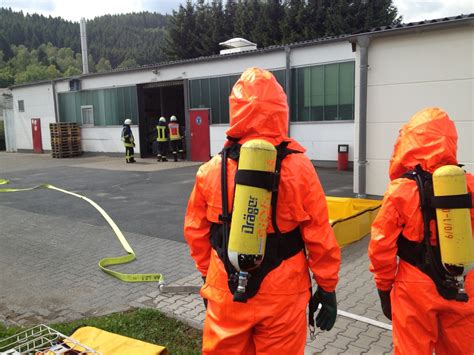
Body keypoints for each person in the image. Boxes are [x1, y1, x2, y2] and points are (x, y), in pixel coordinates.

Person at [184, 67, 340, 354]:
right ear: (281, 110)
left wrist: (209, 277)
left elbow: (196, 231)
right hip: (284, 291)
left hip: (226, 285)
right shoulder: (300, 169)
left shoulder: (212, 169)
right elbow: (319, 234)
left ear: (236, 111)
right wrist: (327, 287)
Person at [368, 107, 474, 354]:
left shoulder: (401, 190)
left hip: (414, 286)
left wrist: (384, 289)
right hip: (463, 283)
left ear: (410, 141)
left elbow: (381, 246)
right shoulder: (468, 184)